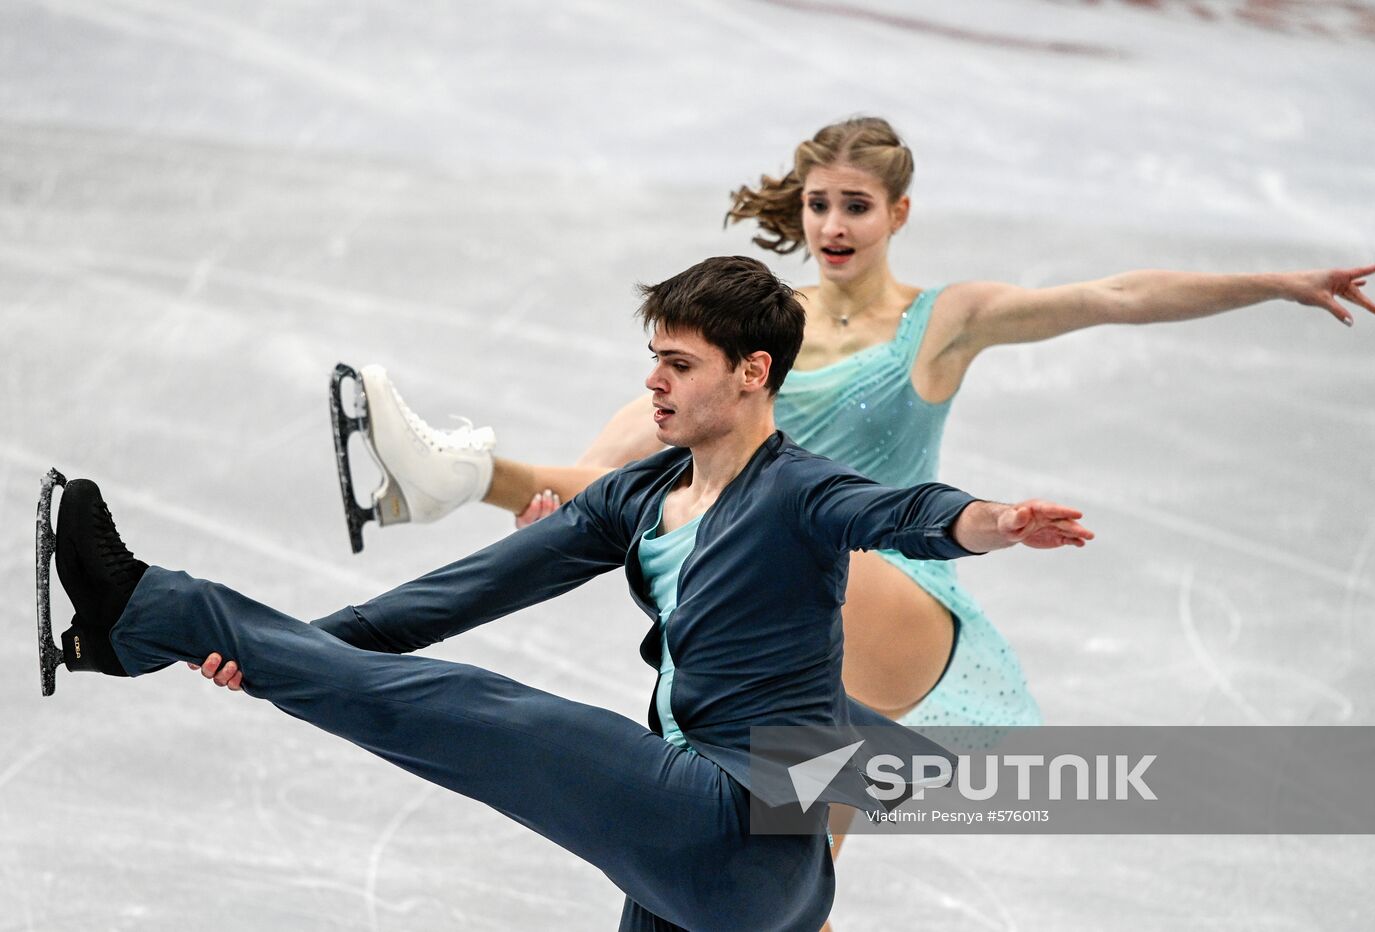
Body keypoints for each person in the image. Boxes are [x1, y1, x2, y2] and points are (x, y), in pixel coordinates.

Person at [46, 256, 1092, 931]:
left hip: (734, 829)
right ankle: (139, 637)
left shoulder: (800, 491)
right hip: (727, 876)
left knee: (472, 709)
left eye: (680, 364)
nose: (654, 384)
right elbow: (456, 595)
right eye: (653, 361)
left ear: (751, 372)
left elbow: (907, 512)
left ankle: (147, 609)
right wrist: (286, 652)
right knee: (442, 687)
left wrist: (991, 521)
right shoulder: (637, 497)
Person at [331, 116, 1375, 751]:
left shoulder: (944, 319)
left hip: (890, 585)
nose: (832, 225)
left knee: (772, 524)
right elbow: (619, 466)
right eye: (819, 204)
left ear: (898, 214)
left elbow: (1111, 295)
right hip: (781, 607)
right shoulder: (758, 331)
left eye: (857, 206)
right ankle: (454, 476)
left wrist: (1272, 283)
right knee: (786, 862)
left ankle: (456, 476)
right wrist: (562, 503)